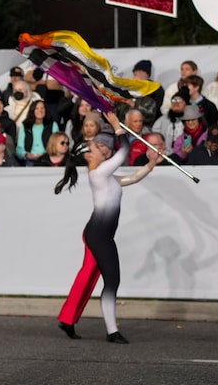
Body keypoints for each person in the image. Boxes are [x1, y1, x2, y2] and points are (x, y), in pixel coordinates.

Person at [55, 112, 158, 344]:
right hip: (100, 235)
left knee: (87, 275)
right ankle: (112, 331)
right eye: (97, 145)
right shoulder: (98, 173)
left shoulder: (106, 175)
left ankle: (67, 319)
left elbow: (131, 179)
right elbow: (124, 152)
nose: (103, 147)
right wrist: (115, 126)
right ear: (90, 155)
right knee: (112, 281)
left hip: (96, 232)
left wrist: (150, 164)